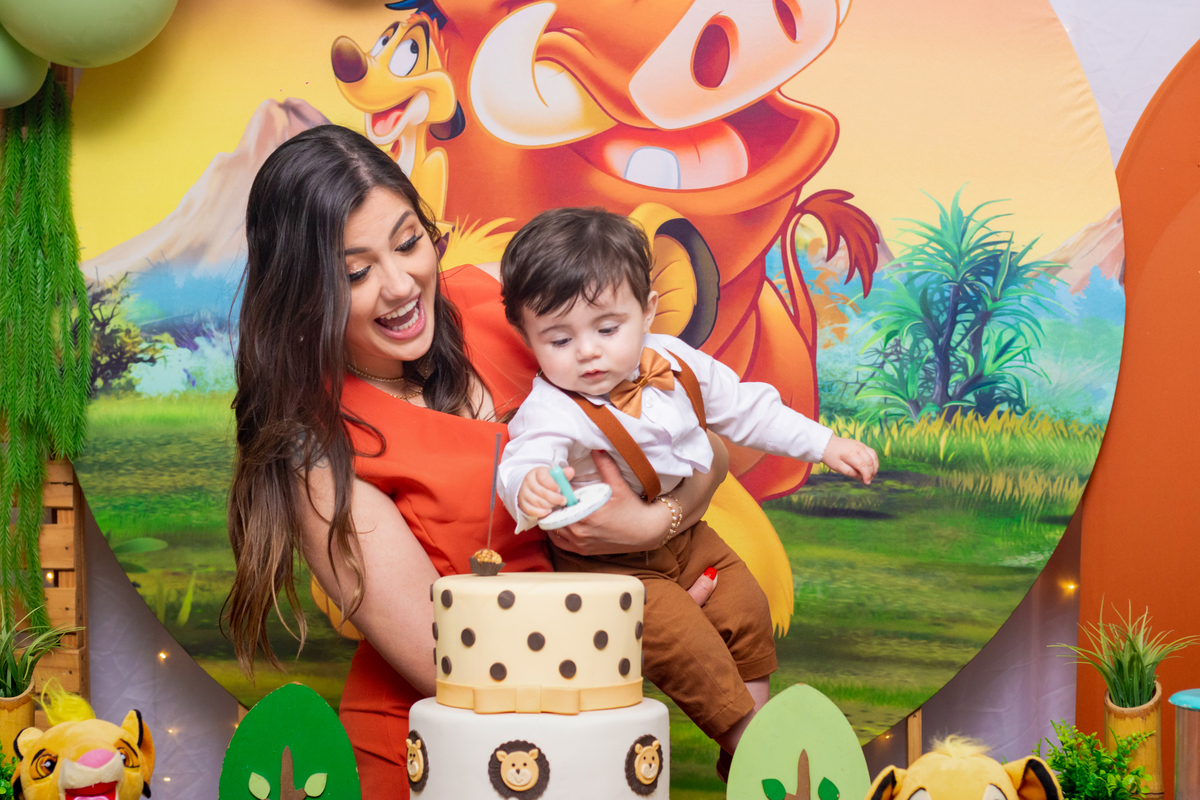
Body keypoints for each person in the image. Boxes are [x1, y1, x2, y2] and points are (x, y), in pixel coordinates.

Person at [222, 127, 729, 797]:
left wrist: (654, 526)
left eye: (408, 242)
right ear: (303, 292)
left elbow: (708, 447)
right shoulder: (317, 450)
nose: (401, 285)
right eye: (356, 273)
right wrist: (632, 629)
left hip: (586, 740)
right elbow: (448, 666)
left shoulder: (506, 302)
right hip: (438, 761)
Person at [496, 207, 880, 768]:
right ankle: (755, 752)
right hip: (609, 567)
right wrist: (527, 486)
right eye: (559, 339)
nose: (587, 351)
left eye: (607, 329)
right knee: (684, 643)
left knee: (745, 604)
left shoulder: (677, 363)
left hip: (690, 537)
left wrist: (825, 444)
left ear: (648, 311)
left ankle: (748, 749)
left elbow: (748, 409)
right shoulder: (552, 408)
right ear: (527, 337)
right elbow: (525, 458)